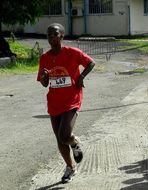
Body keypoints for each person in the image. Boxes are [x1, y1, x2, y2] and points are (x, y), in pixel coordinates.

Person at [37, 23, 95, 183]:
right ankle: (70, 167)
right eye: (48, 35)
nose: (51, 37)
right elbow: (44, 83)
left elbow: (91, 63)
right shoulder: (45, 58)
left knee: (65, 135)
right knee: (59, 139)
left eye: (55, 34)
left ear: (62, 35)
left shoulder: (72, 53)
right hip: (54, 101)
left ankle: (75, 142)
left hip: (72, 99)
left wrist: (81, 77)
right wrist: (44, 77)